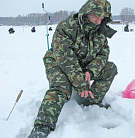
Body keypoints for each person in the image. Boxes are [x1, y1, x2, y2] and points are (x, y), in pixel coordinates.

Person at [28, 0, 118, 137]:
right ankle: (42, 125)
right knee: (62, 86)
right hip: (57, 61)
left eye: (101, 19)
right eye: (96, 17)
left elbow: (103, 53)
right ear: (87, 13)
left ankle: (91, 102)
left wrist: (90, 71)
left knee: (110, 68)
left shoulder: (100, 30)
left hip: (84, 64)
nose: (98, 22)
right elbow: (64, 58)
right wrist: (80, 83)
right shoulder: (66, 27)